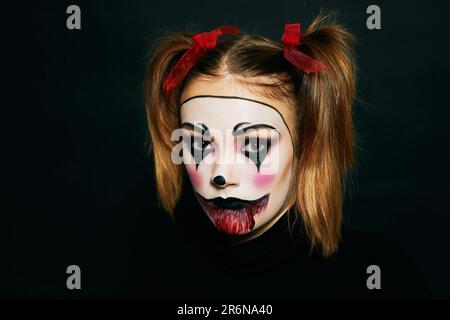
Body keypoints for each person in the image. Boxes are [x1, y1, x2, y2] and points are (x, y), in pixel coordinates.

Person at [142, 14, 430, 299]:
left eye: (254, 146)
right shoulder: (159, 273)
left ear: (307, 146)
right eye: (197, 144)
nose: (220, 174)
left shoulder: (382, 276)